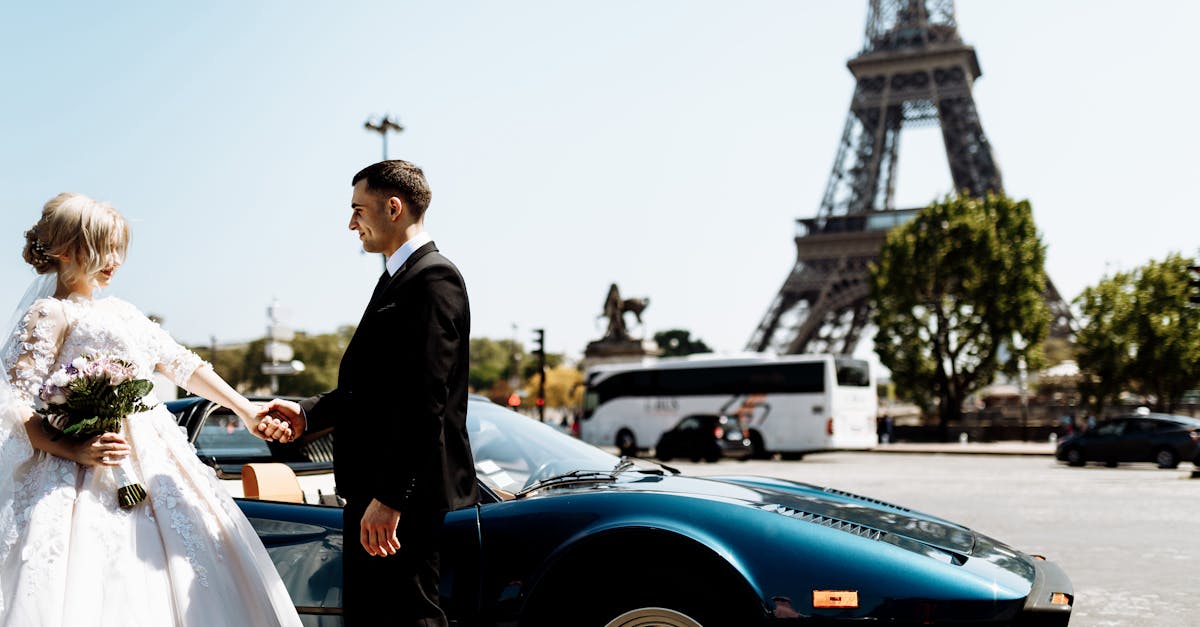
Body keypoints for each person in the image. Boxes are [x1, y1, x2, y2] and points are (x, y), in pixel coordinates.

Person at [0, 192, 303, 626]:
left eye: (119, 249)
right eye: (104, 249)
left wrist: (246, 410)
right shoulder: (48, 313)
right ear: (66, 249)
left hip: (161, 465)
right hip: (82, 471)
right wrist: (74, 450)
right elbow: (13, 405)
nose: (116, 261)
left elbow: (183, 364)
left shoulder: (122, 311)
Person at [262, 160, 478, 626]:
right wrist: (306, 413)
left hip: (402, 501)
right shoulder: (399, 278)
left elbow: (425, 400)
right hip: (378, 494)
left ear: (393, 208)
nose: (351, 223)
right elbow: (375, 389)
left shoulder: (434, 279)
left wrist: (392, 498)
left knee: (407, 618)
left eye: (359, 210)